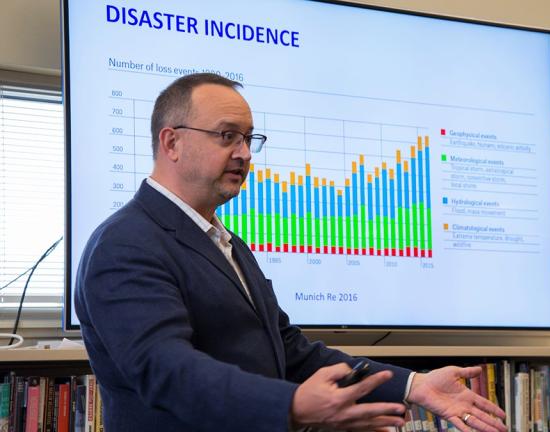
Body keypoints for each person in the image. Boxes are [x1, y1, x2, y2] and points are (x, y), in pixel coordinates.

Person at [75, 73, 506, 432]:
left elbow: (289, 350)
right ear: (171, 143)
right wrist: (294, 404)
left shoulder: (227, 242)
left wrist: (413, 384)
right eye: (227, 136)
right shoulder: (126, 243)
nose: (244, 153)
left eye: (248, 138)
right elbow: (168, 373)